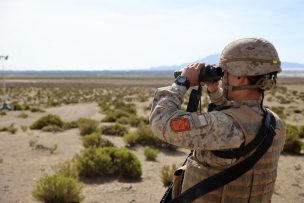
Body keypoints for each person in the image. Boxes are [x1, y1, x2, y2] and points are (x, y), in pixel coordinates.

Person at [149, 37, 286, 202]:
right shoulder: (275, 122)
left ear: (240, 77)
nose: (223, 78)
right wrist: (214, 91)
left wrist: (182, 82)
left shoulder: (223, 126)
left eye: (225, 72)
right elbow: (237, 110)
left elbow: (161, 122)